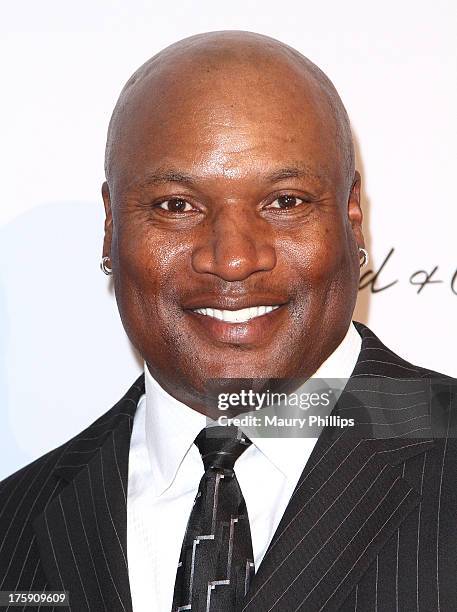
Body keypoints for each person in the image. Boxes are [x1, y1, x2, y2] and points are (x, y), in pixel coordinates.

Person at [0, 30, 455, 612]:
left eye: (285, 202)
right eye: (176, 206)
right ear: (111, 227)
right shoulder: (16, 523)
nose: (234, 258)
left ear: (351, 216)